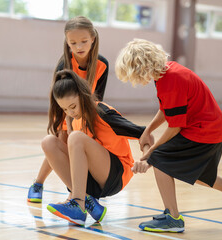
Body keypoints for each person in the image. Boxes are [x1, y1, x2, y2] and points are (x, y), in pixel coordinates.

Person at [115, 38, 222, 233]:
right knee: (193, 171)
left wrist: (151, 153)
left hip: (204, 131)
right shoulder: (166, 72)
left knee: (161, 159)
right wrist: (148, 130)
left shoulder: (171, 80)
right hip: (210, 129)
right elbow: (167, 109)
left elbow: (175, 127)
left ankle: (173, 217)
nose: (136, 80)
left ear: (140, 67)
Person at [42, 69, 146, 225]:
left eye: (72, 106)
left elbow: (144, 133)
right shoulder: (76, 119)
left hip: (116, 175)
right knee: (48, 142)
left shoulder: (103, 113)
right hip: (93, 179)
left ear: (82, 95)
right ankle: (87, 200)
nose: (70, 112)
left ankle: (78, 203)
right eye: (64, 109)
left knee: (75, 138)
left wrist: (146, 158)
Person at [28, 16, 109, 203]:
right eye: (73, 43)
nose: (79, 46)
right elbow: (58, 99)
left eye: (83, 41)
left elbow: (98, 99)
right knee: (61, 145)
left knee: (77, 149)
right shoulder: (64, 64)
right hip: (64, 110)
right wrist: (68, 124)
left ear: (93, 39)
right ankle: (42, 185)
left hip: (86, 112)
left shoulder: (102, 64)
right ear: (67, 42)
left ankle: (75, 194)